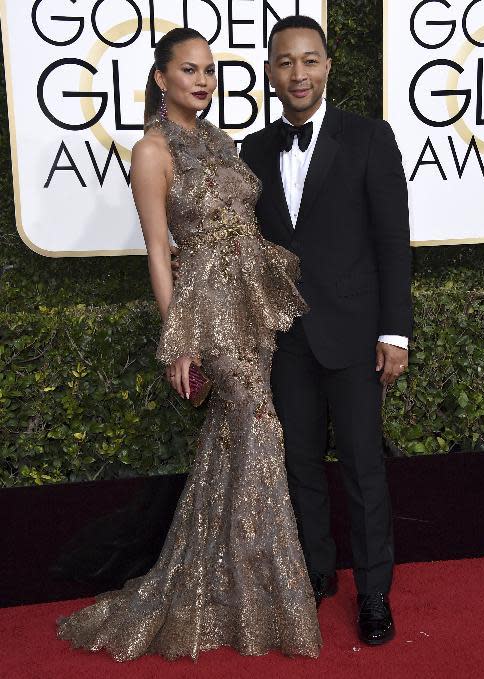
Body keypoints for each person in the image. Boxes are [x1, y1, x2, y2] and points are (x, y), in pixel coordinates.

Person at [56, 27, 322, 661]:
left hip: (250, 303)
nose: (202, 81)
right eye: (188, 71)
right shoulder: (152, 150)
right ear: (160, 78)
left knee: (232, 442)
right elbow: (158, 248)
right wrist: (180, 339)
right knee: (261, 429)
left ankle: (221, 584)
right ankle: (268, 596)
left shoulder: (218, 142)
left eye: (208, 71)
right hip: (208, 310)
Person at [239, 16, 412, 646]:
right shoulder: (252, 150)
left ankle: (373, 594)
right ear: (270, 73)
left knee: (364, 467)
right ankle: (315, 572)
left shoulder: (369, 137)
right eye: (285, 62)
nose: (298, 74)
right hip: (285, 338)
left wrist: (395, 331)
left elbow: (393, 243)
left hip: (355, 332)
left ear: (328, 66)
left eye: (309, 60)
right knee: (300, 465)